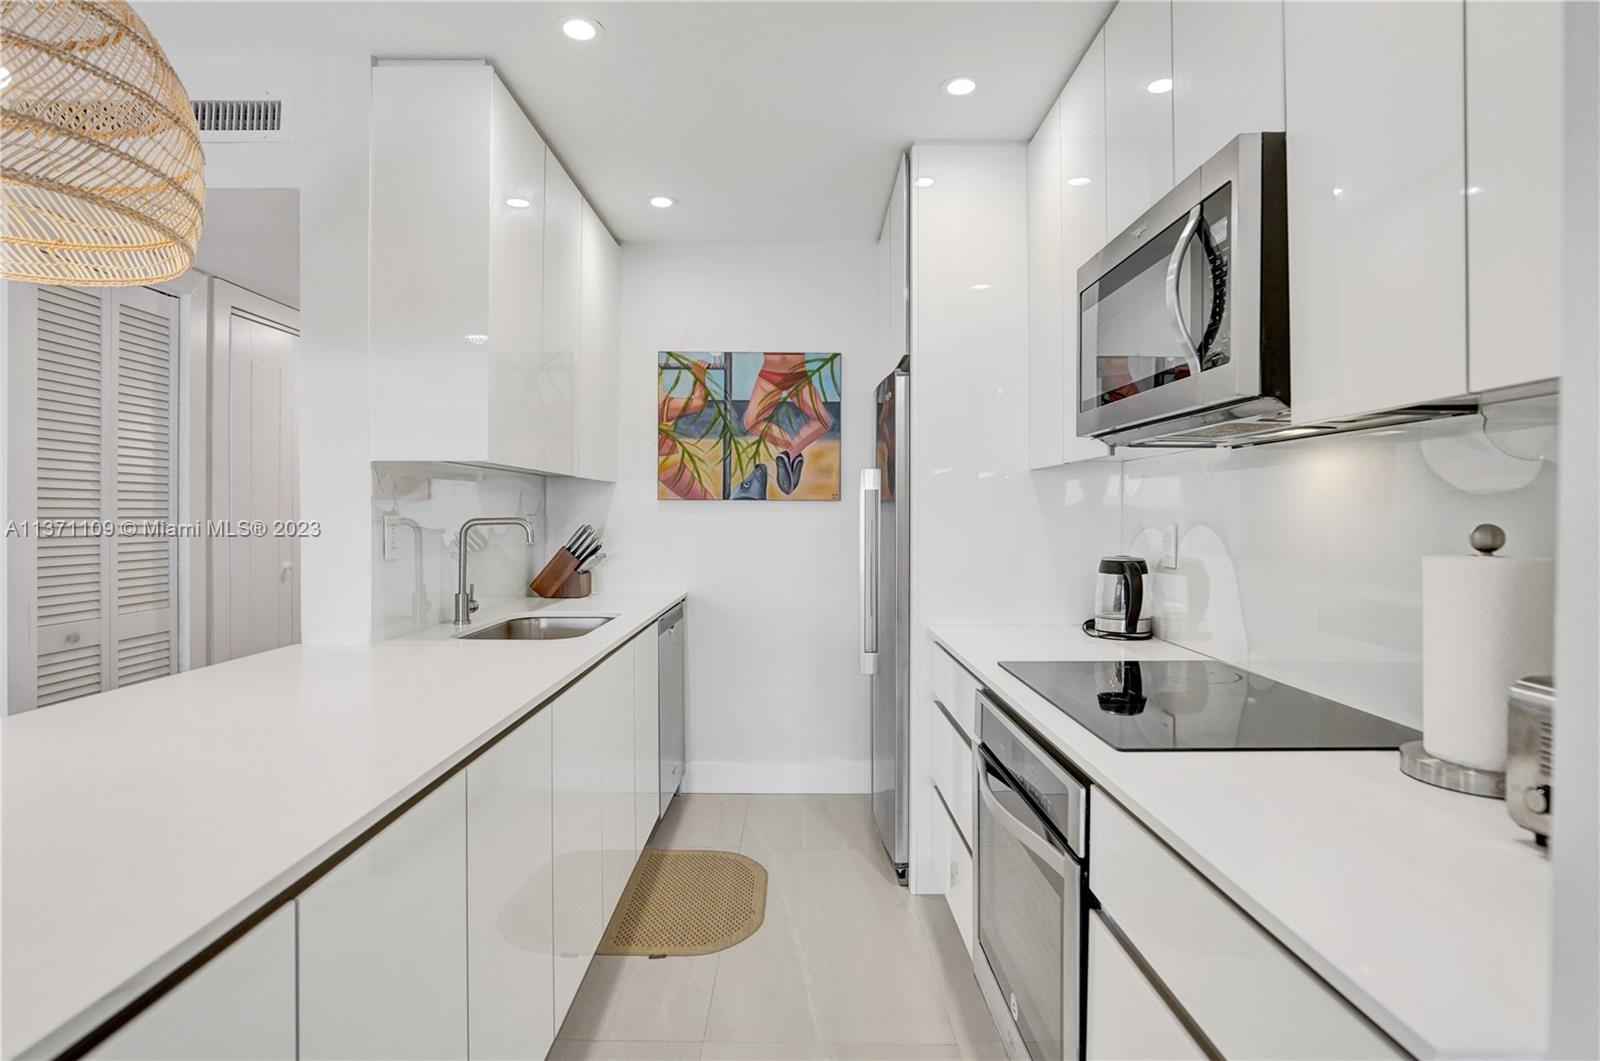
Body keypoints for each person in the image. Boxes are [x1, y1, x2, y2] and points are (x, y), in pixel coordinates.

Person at [741, 352, 833, 495]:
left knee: (823, 420)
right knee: (750, 420)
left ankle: (790, 453)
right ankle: (792, 454)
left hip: (796, 374)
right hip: (770, 373)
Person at [658, 357, 715, 500]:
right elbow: (698, 401)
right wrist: (699, 375)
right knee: (705, 500)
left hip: (645, 460)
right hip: (665, 460)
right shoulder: (662, 407)